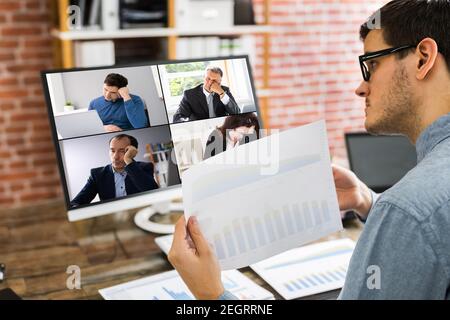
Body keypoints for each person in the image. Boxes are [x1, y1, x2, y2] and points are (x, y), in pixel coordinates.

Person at [168, 0, 450, 300]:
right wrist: (369, 202)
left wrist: (212, 295)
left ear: (423, 59)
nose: (360, 87)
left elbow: (418, 217)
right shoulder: (415, 207)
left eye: (372, 64)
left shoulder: (409, 210)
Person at [70, 134, 158, 207]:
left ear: (132, 152)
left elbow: (154, 193)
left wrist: (128, 160)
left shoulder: (145, 167)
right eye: (112, 151)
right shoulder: (97, 175)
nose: (115, 157)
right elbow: (76, 203)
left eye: (122, 151)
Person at [172, 66, 241, 123]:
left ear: (219, 82)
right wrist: (187, 123)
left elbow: (237, 113)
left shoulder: (224, 90)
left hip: (220, 127)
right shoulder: (190, 94)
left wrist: (222, 94)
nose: (210, 82)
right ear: (203, 78)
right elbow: (178, 117)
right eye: (208, 79)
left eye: (214, 81)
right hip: (199, 129)